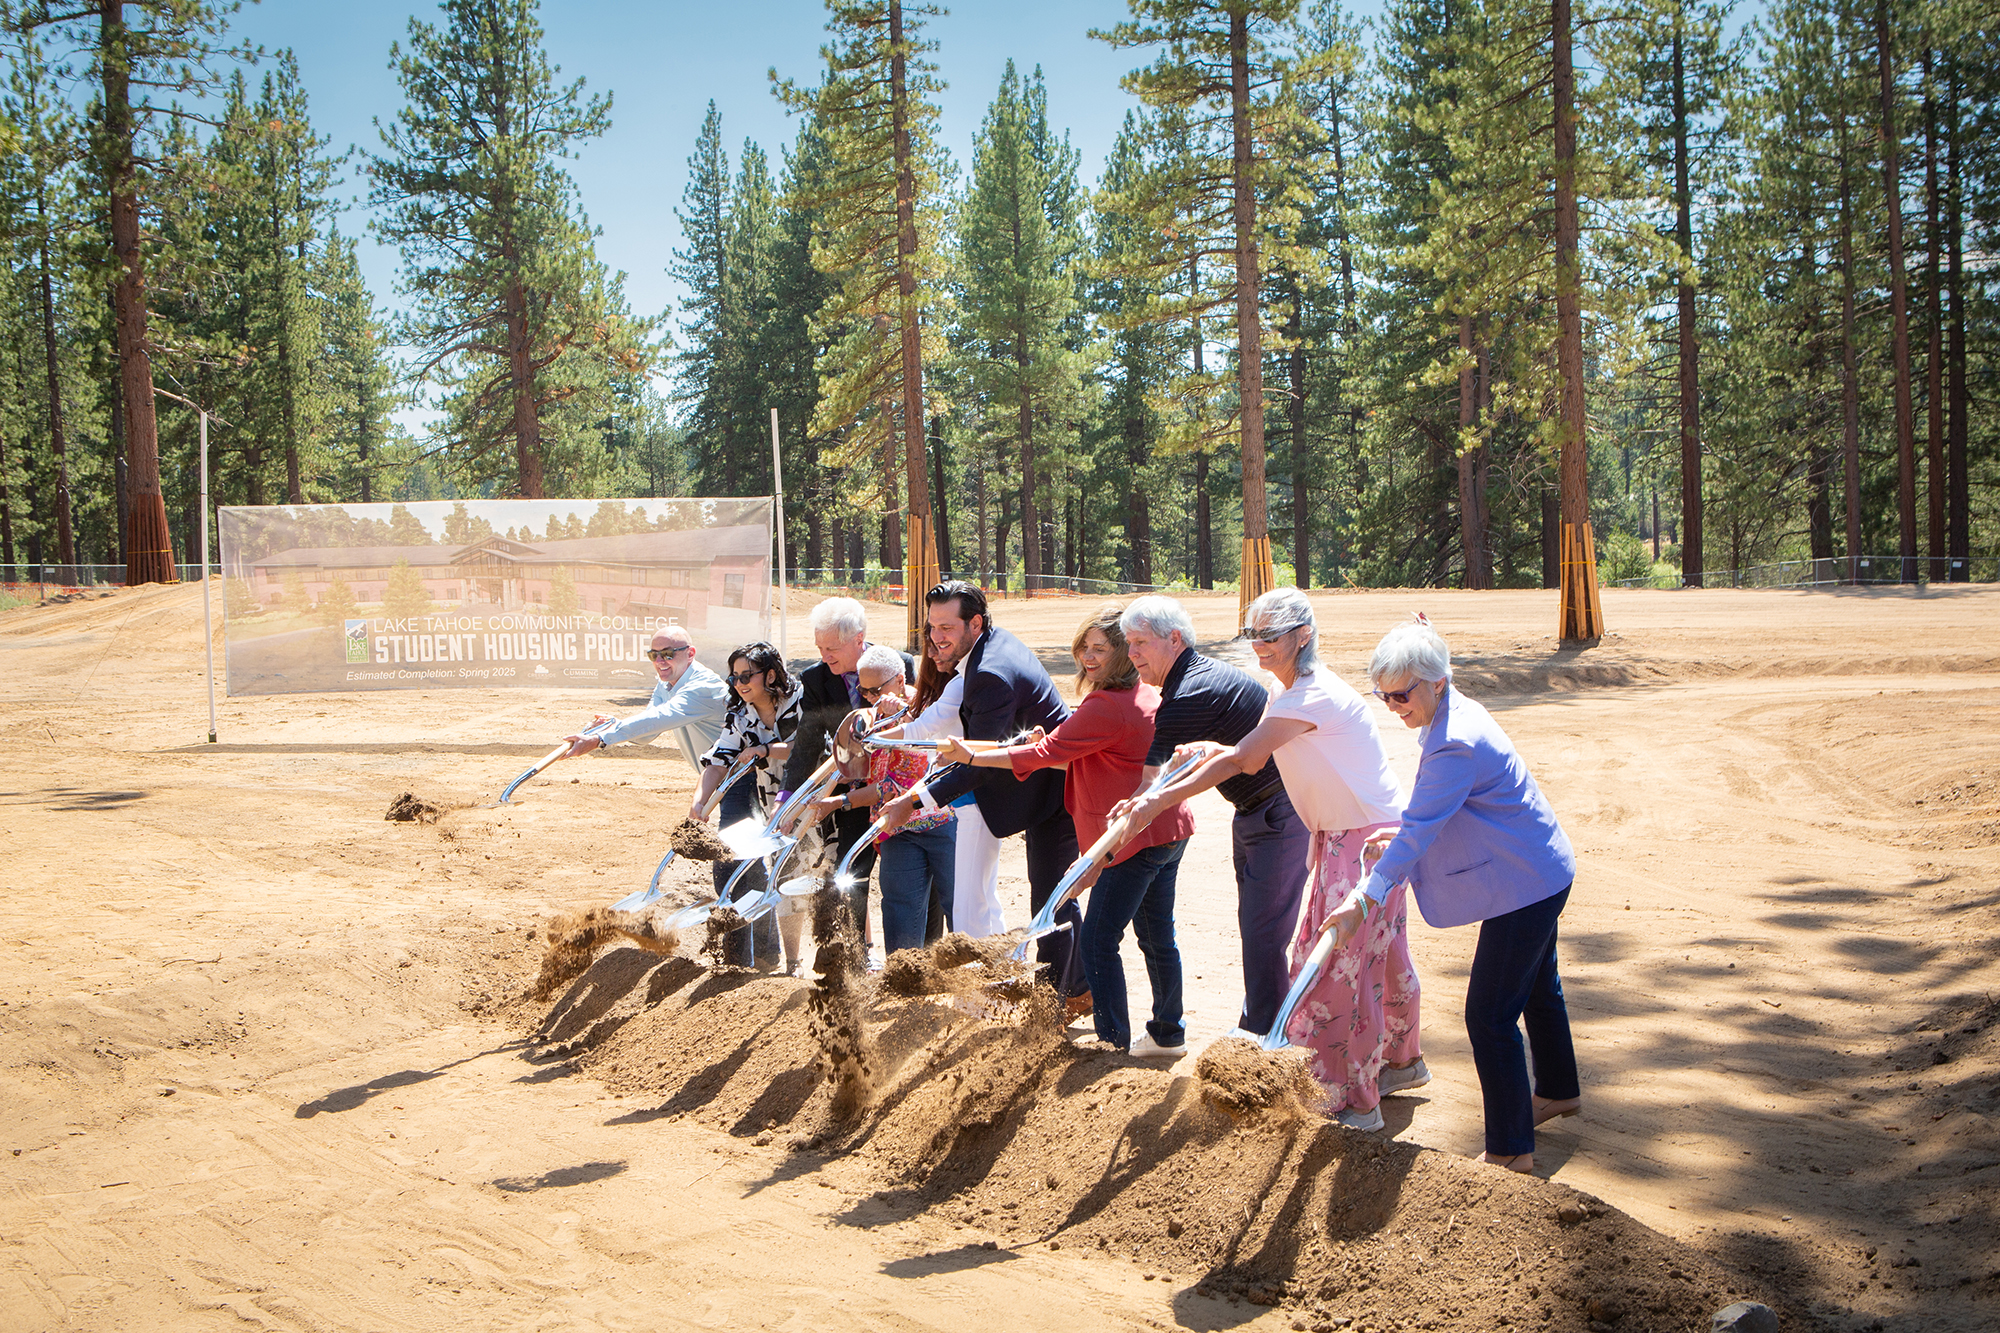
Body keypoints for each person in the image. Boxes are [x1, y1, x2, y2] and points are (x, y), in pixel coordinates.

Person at [1121, 589, 1421, 1127]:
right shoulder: (1299, 693)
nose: (1259, 646)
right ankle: (1402, 1061)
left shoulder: (1306, 696)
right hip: (1355, 831)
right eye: (1252, 634)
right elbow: (1258, 748)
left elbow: (1247, 757)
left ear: (1302, 635)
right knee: (1382, 954)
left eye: (1271, 635)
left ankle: (1351, 1099)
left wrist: (1158, 798)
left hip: (1361, 839)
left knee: (1331, 965)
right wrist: (1210, 752)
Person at [1326, 614, 1579, 1174]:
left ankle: (1512, 1150)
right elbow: (1434, 814)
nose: (1393, 706)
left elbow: (1419, 831)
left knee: (1489, 1016)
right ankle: (1559, 1090)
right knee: (1539, 988)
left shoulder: (1453, 743)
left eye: (1401, 694)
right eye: (1383, 696)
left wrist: (1364, 898)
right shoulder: (1452, 710)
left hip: (1526, 884)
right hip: (1538, 867)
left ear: (1437, 680)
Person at [941, 604, 1193, 1057]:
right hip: (1167, 829)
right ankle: (1167, 1033)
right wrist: (1036, 744)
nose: (1088, 656)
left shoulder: (1105, 705)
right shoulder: (1145, 694)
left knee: (1098, 939)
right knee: (1157, 936)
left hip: (1131, 838)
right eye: (1084, 646)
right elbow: (1072, 751)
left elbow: (1045, 753)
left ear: (1123, 654)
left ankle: (1112, 1042)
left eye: (1103, 648)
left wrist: (975, 756)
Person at [1111, 594, 1308, 1039]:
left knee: (1263, 932)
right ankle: (1262, 1027)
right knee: (1259, 929)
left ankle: (1263, 1036)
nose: (1133, 654)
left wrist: (1103, 854)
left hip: (1278, 812)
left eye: (1140, 642)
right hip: (1257, 812)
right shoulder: (1195, 676)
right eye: (1128, 643)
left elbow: (1152, 784)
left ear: (1174, 639)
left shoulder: (1189, 693)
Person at [877, 581, 1084, 1003]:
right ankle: (1039, 990)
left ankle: (1062, 994)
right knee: (1038, 896)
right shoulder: (985, 650)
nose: (936, 637)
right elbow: (948, 735)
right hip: (1030, 788)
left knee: (1050, 898)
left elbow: (978, 765)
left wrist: (913, 801)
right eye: (932, 627)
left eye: (947, 627)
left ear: (975, 622)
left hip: (1052, 791)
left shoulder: (989, 673)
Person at [777, 598, 914, 940]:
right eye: (820, 647)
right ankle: (853, 954)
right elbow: (807, 742)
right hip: (854, 789)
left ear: (859, 639)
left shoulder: (897, 664)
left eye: (832, 648)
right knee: (850, 869)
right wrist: (787, 798)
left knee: (913, 874)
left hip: (906, 787)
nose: (825, 656)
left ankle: (921, 951)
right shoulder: (816, 678)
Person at [803, 646, 954, 954]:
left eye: (874, 690)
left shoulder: (928, 710)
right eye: (862, 689)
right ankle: (901, 985)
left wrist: (841, 802)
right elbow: (874, 769)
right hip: (898, 829)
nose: (868, 697)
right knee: (900, 909)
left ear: (900, 680)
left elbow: (896, 786)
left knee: (958, 904)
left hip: (941, 825)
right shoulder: (875, 717)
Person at [691, 642, 804, 971]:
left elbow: (813, 747)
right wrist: (699, 803)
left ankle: (796, 960)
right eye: (735, 677)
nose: (740, 683)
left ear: (770, 675)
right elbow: (718, 759)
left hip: (806, 785)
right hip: (762, 788)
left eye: (747, 676)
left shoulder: (800, 698)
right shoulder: (739, 711)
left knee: (796, 867)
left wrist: (765, 750)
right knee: (742, 862)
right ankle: (760, 958)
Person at [896, 633, 1004, 937]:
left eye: (943, 647)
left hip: (970, 796)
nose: (935, 655)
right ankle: (1003, 966)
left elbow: (920, 732)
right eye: (931, 649)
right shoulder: (950, 684)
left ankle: (987, 970)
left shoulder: (962, 682)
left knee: (969, 901)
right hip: (960, 796)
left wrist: (873, 740)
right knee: (980, 894)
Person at [562, 625, 729, 764]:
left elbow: (661, 717)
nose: (659, 661)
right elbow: (646, 734)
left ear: (690, 654)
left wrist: (599, 738)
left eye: (667, 654)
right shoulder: (667, 682)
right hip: (719, 777)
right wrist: (611, 725)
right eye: (653, 655)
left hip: (740, 778)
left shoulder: (703, 687)